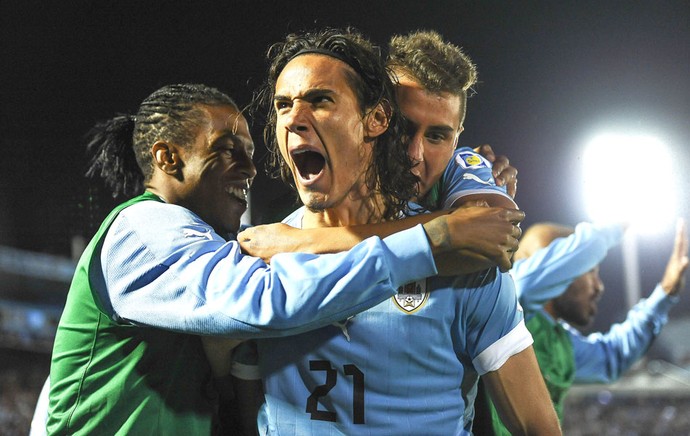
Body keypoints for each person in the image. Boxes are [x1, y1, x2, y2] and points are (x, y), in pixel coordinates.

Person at [45, 83, 509, 435]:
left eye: (249, 153)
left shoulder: (210, 243)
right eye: (226, 150)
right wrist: (430, 242)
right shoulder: (144, 230)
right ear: (167, 157)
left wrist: (467, 177)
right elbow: (268, 301)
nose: (249, 169)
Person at [233, 28, 559, 435]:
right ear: (374, 118)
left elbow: (537, 426)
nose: (413, 154)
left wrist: (304, 243)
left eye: (438, 135)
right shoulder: (259, 254)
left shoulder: (468, 253)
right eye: (404, 128)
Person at [477, 219, 689, 434]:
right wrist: (619, 223)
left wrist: (665, 293)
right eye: (590, 271)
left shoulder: (560, 341)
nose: (599, 286)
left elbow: (611, 357)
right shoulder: (510, 309)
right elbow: (528, 279)